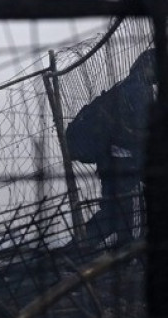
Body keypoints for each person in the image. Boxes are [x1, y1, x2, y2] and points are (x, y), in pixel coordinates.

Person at [65, 49, 155, 253]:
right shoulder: (139, 90)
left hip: (111, 162)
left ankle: (74, 253)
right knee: (121, 218)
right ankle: (76, 255)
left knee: (113, 217)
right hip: (123, 164)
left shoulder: (126, 86)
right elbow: (138, 130)